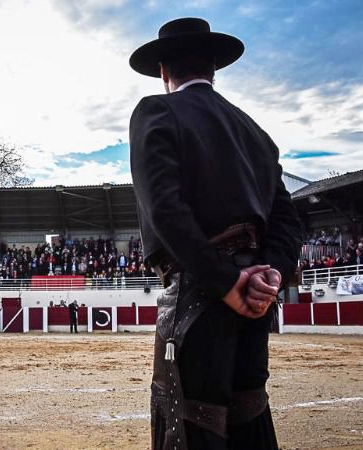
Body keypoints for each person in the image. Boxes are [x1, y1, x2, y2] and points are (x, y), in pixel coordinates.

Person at [129, 18, 301, 450]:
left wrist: (225, 283)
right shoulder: (255, 132)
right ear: (213, 69)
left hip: (199, 294)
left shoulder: (157, 110)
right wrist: (272, 278)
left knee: (189, 419)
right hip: (256, 301)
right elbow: (288, 220)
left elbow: (166, 209)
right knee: (249, 411)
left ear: (164, 71)